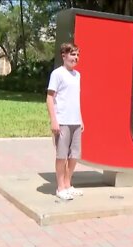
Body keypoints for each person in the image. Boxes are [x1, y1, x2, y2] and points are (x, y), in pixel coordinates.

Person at [46, 43, 84, 200]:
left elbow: (76, 99)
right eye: (72, 54)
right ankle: (60, 187)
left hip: (75, 121)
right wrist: (54, 120)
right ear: (64, 56)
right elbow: (49, 97)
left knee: (74, 155)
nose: (75, 58)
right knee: (62, 156)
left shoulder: (78, 75)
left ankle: (68, 184)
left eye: (77, 55)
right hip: (62, 121)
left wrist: (81, 119)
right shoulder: (57, 74)